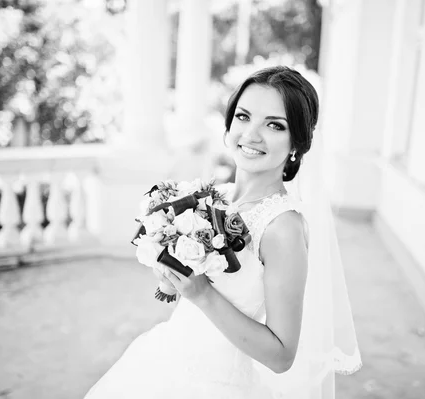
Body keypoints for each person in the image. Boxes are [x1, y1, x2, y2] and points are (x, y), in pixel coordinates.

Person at [84, 66, 360, 399]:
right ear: (228, 126)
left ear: (296, 143)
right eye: (244, 117)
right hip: (167, 361)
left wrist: (203, 294)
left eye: (274, 125)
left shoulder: (282, 227)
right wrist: (172, 276)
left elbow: (282, 355)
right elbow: (194, 301)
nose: (252, 135)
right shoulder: (216, 196)